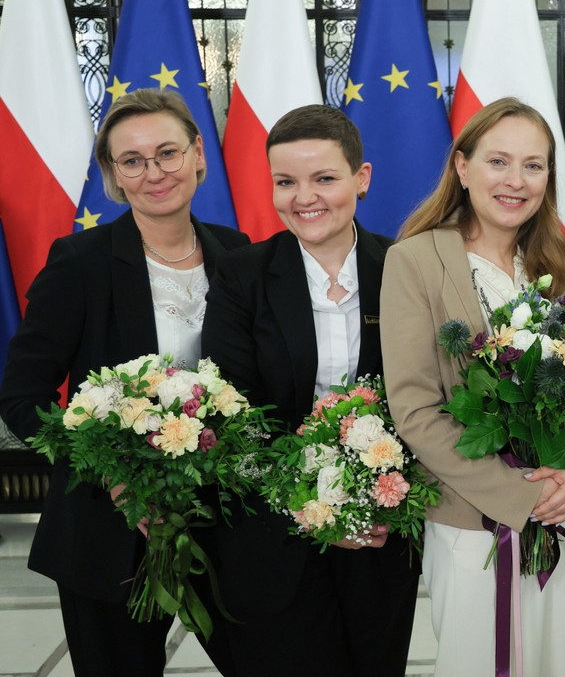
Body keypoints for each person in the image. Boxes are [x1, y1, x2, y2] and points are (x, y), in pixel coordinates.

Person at [0, 89, 246, 676]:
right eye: (132, 160)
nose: (154, 173)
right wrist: (111, 474)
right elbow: (21, 396)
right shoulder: (79, 261)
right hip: (107, 528)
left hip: (229, 523)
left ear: (198, 157)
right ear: (113, 175)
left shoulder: (239, 256)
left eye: (167, 153)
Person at [380, 96, 565, 676]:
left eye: (534, 166)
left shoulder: (553, 263)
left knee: (561, 662)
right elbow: (415, 412)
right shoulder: (414, 260)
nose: (516, 181)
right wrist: (518, 494)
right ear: (462, 167)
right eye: (498, 162)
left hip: (563, 515)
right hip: (473, 521)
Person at [200, 105, 420, 674]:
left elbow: (426, 400)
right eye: (285, 182)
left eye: (324, 178)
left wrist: (378, 498)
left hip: (381, 532)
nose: (305, 197)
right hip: (274, 535)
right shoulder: (241, 275)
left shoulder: (405, 267)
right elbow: (234, 414)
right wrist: (315, 507)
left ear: (361, 178)